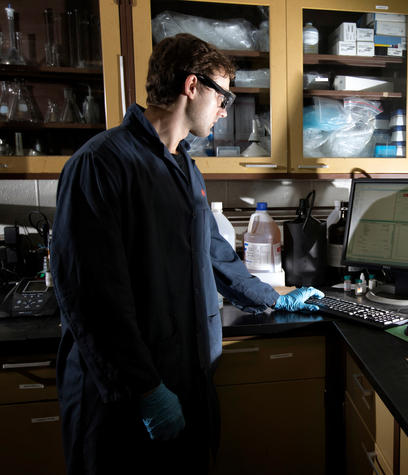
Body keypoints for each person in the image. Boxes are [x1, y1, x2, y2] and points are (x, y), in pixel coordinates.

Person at [51, 33, 323, 475]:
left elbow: (214, 253)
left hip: (184, 380)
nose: (224, 110)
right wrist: (145, 390)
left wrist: (272, 297)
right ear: (192, 86)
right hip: (125, 399)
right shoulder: (101, 163)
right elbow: (90, 296)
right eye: (223, 96)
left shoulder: (183, 167)